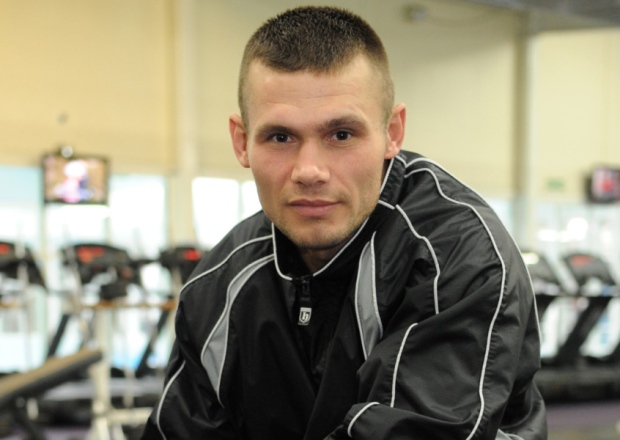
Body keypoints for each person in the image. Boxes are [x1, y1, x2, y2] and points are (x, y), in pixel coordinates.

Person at [142, 6, 547, 439]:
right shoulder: (217, 287)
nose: (309, 170)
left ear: (392, 132)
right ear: (242, 142)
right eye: (280, 137)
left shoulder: (457, 255)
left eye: (341, 135)